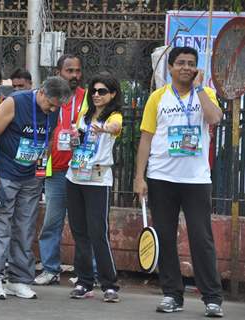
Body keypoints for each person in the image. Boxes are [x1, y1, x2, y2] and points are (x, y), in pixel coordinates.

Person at [134, 46, 224, 317]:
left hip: (196, 179)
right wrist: (140, 177)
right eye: (181, 63)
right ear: (170, 68)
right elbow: (146, 138)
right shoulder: (157, 97)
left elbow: (215, 118)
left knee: (201, 237)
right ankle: (172, 295)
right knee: (165, 237)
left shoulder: (206, 94)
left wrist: (199, 89)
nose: (186, 67)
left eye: (191, 63)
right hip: (161, 177)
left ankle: (212, 298)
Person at [0, 76, 71, 300]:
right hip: (5, 174)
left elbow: (47, 140)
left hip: (31, 178)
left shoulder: (53, 110)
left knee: (25, 228)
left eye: (56, 107)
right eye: (50, 103)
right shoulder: (15, 102)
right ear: (41, 92)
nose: (51, 109)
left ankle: (18, 279)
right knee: (0, 225)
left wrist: (40, 173)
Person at [65, 72, 122, 303]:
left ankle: (109, 284)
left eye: (102, 91)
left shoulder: (114, 115)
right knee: (79, 232)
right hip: (75, 175)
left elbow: (116, 127)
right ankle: (84, 281)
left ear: (112, 94)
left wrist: (105, 129)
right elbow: (77, 140)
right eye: (94, 91)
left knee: (98, 233)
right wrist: (71, 138)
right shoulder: (85, 114)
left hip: (98, 179)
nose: (97, 95)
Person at [34, 54, 86, 285]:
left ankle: (86, 273)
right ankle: (50, 269)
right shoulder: (48, 96)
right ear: (58, 72)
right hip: (55, 169)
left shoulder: (88, 97)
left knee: (83, 223)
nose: (74, 75)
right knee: (52, 222)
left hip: (82, 169)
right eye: (69, 71)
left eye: (77, 71)